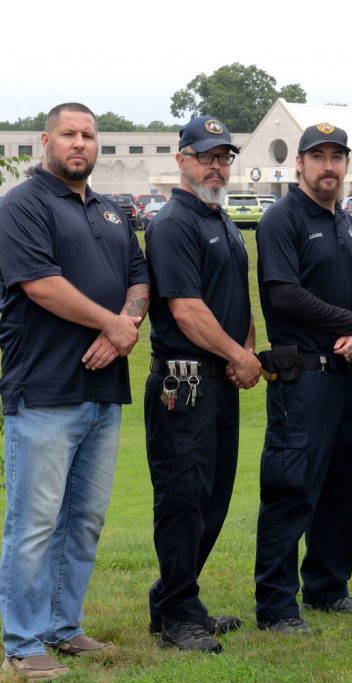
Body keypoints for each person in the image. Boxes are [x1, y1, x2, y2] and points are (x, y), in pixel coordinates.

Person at [0, 102, 149, 680]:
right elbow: (40, 284)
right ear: (46, 141)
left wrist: (126, 326)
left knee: (84, 518)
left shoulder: (112, 212)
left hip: (103, 391)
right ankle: (22, 641)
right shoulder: (23, 205)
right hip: (43, 388)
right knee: (34, 522)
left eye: (88, 135)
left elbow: (139, 277)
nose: (79, 143)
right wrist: (108, 324)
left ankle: (64, 627)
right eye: (69, 134)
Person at [253, 123, 352, 634]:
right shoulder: (281, 219)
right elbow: (283, 294)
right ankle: (277, 605)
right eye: (318, 156)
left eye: (337, 156)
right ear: (299, 164)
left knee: (341, 486)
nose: (329, 166)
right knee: (291, 488)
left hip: (345, 375)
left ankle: (329, 588)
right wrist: (351, 323)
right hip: (300, 378)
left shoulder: (347, 223)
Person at [144, 115, 262, 654]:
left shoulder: (223, 220)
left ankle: (176, 597)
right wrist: (238, 355)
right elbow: (187, 311)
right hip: (183, 381)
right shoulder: (174, 222)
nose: (216, 166)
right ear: (181, 160)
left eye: (224, 157)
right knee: (183, 497)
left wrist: (244, 351)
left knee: (212, 497)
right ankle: (177, 620)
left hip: (220, 378)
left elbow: (234, 298)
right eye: (206, 156)